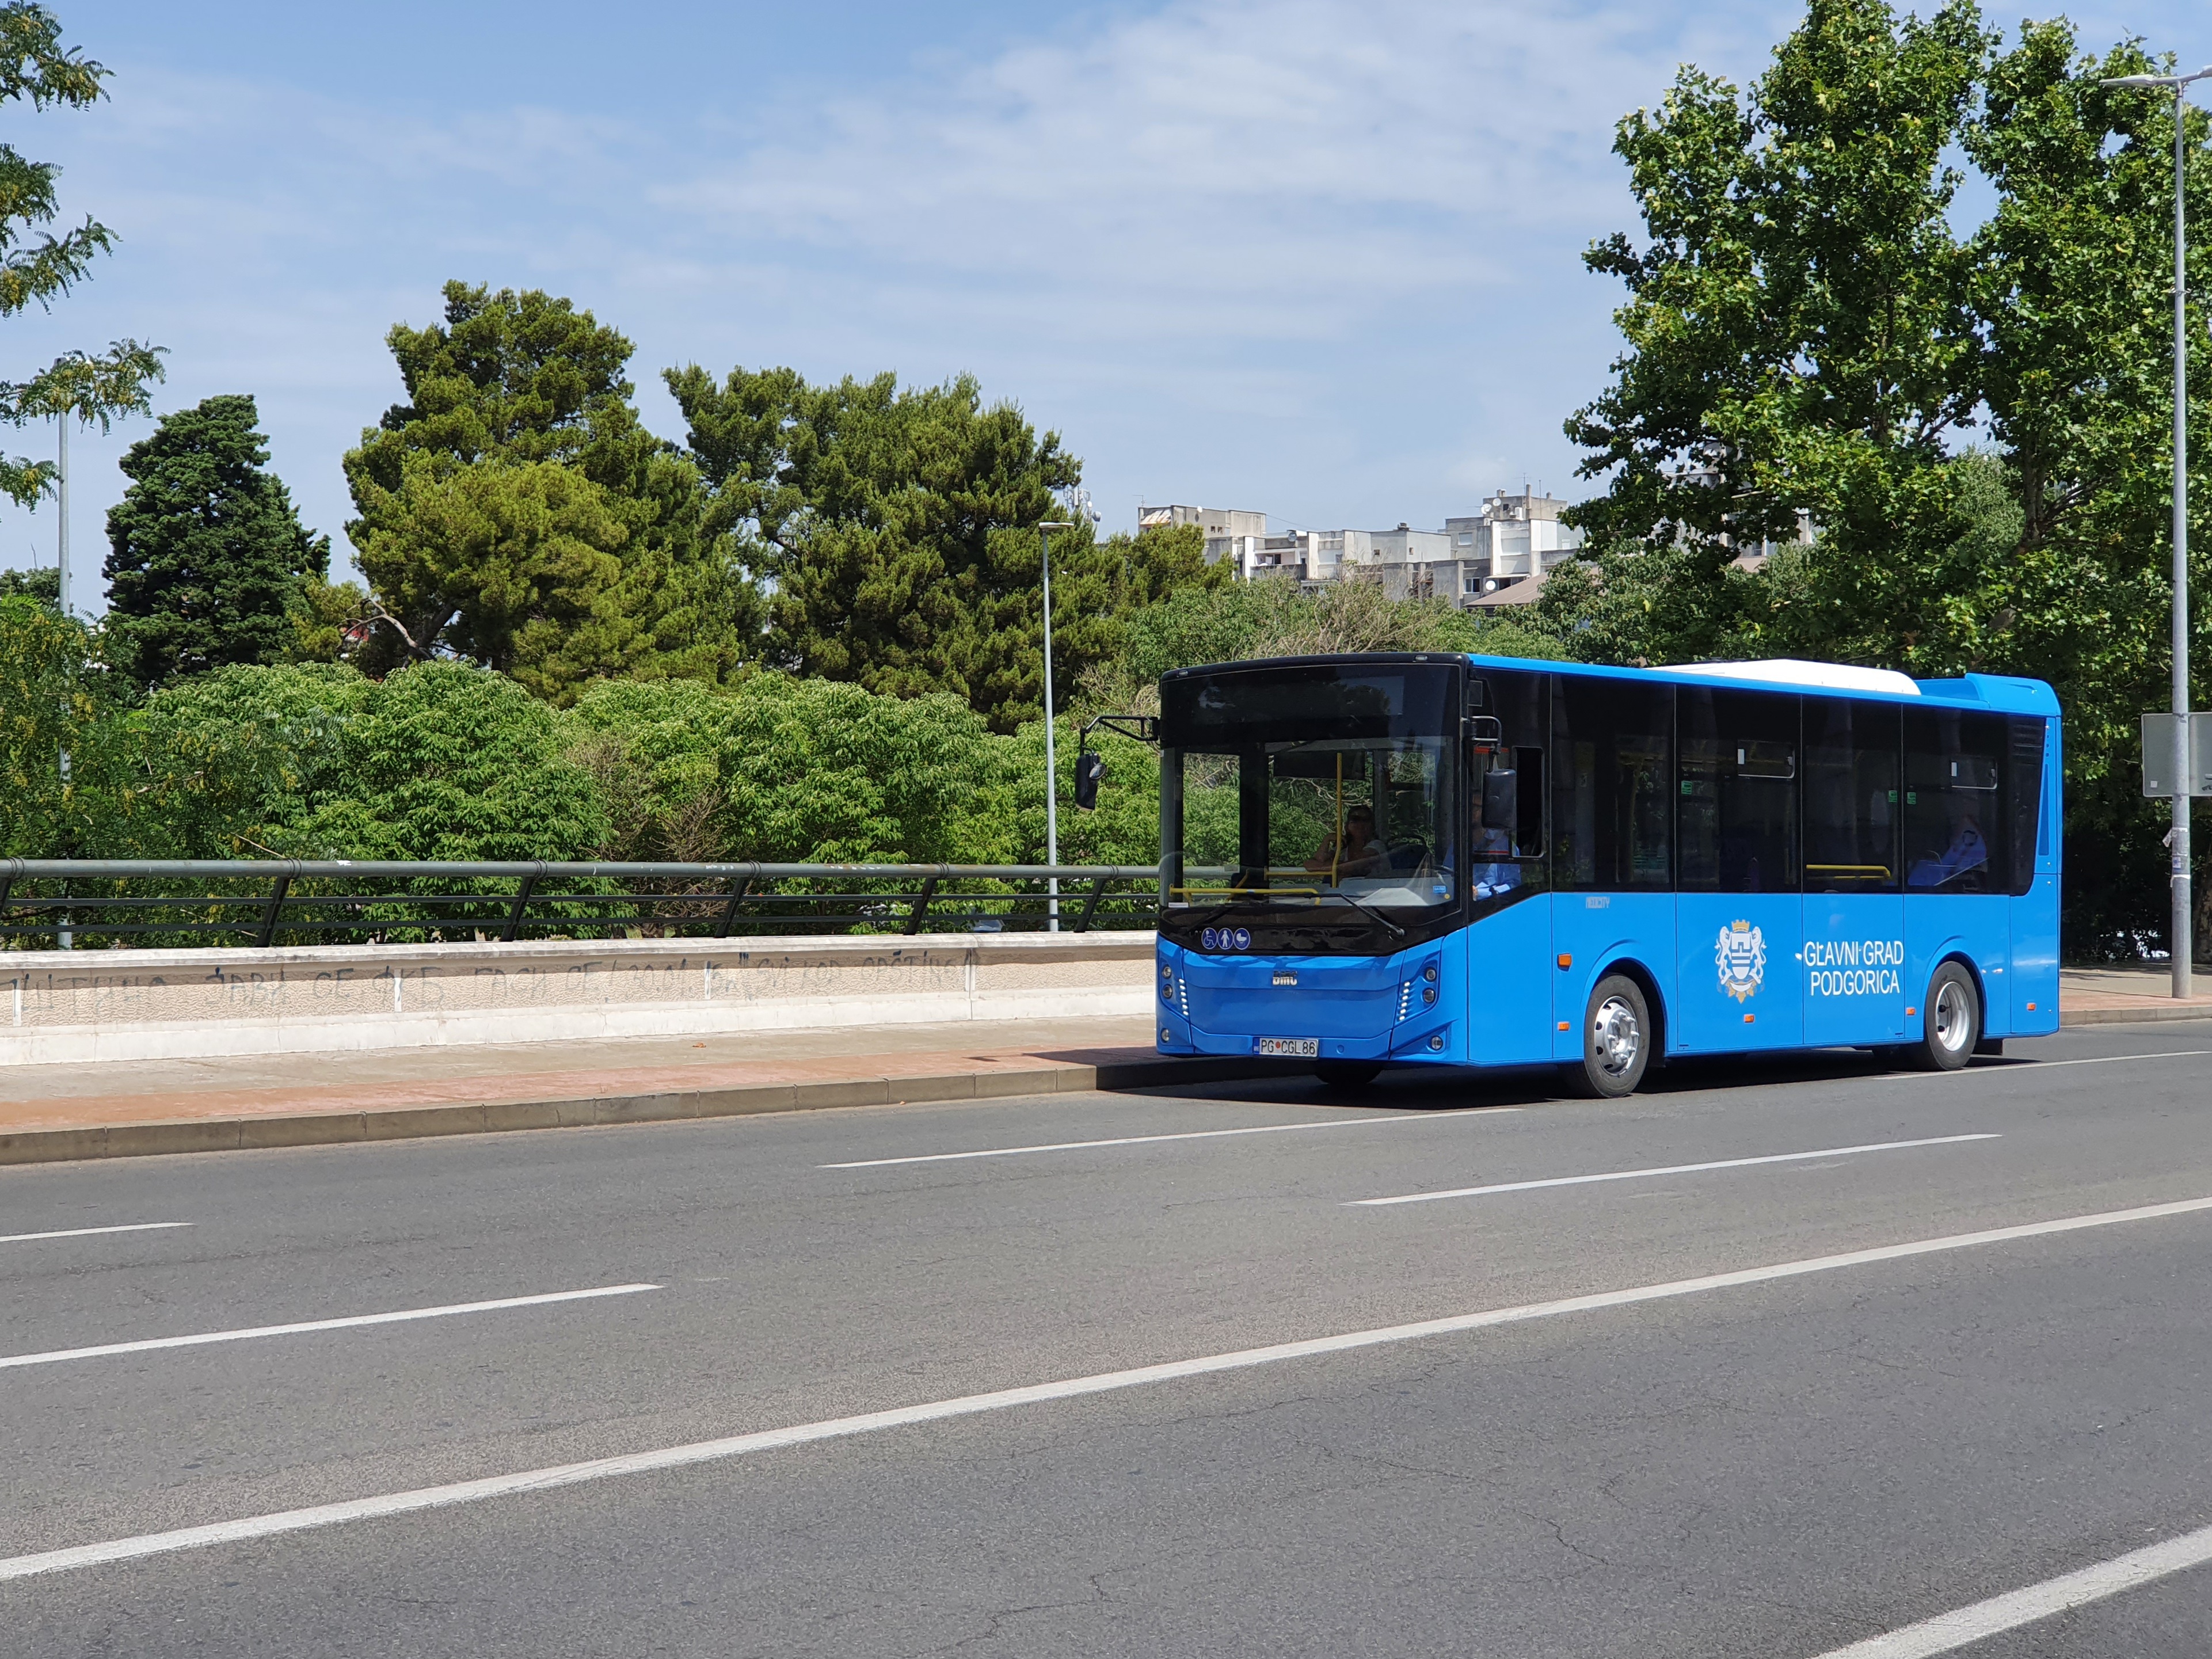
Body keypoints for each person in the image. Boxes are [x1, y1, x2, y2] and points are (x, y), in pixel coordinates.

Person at [1307, 804, 1385, 877]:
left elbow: (1352, 865)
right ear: (1347, 826)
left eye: (1365, 820)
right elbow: (1314, 862)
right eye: (1355, 820)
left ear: (1372, 826)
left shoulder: (1377, 846)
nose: (1360, 825)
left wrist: (1324, 867)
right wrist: (1327, 840)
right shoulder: (1343, 848)